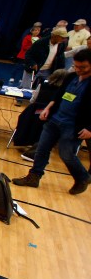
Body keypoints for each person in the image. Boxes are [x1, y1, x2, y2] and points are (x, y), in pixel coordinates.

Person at [13, 49, 91, 195]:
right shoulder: (71, 77)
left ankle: (82, 177)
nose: (79, 70)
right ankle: (34, 176)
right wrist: (48, 108)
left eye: (83, 67)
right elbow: (59, 94)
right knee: (41, 149)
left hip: (74, 126)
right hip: (55, 119)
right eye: (76, 66)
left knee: (66, 154)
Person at [16, 70, 69, 161]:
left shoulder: (43, 85)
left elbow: (33, 100)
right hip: (51, 116)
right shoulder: (65, 91)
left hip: (32, 114)